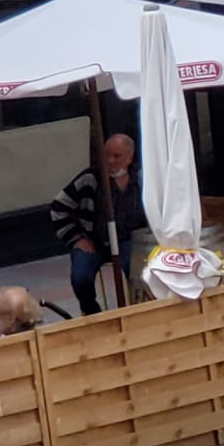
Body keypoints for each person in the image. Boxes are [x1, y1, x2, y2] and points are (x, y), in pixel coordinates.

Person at [48, 133, 146, 315]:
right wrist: (76, 239)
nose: (110, 160)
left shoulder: (141, 178)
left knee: (139, 272)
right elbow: (58, 207)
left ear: (130, 157)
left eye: (117, 156)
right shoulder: (90, 178)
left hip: (130, 239)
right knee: (80, 278)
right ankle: (92, 314)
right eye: (106, 154)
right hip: (94, 241)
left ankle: (139, 310)